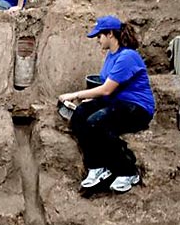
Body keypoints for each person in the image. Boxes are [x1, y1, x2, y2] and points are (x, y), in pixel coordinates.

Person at [58, 15, 155, 193]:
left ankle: (128, 171)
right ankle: (97, 167)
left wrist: (75, 95)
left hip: (137, 108)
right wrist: (91, 101)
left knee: (97, 122)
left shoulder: (128, 56)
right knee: (80, 114)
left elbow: (106, 89)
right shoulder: (111, 56)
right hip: (116, 103)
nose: (97, 40)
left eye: (99, 36)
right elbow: (107, 88)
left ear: (110, 34)